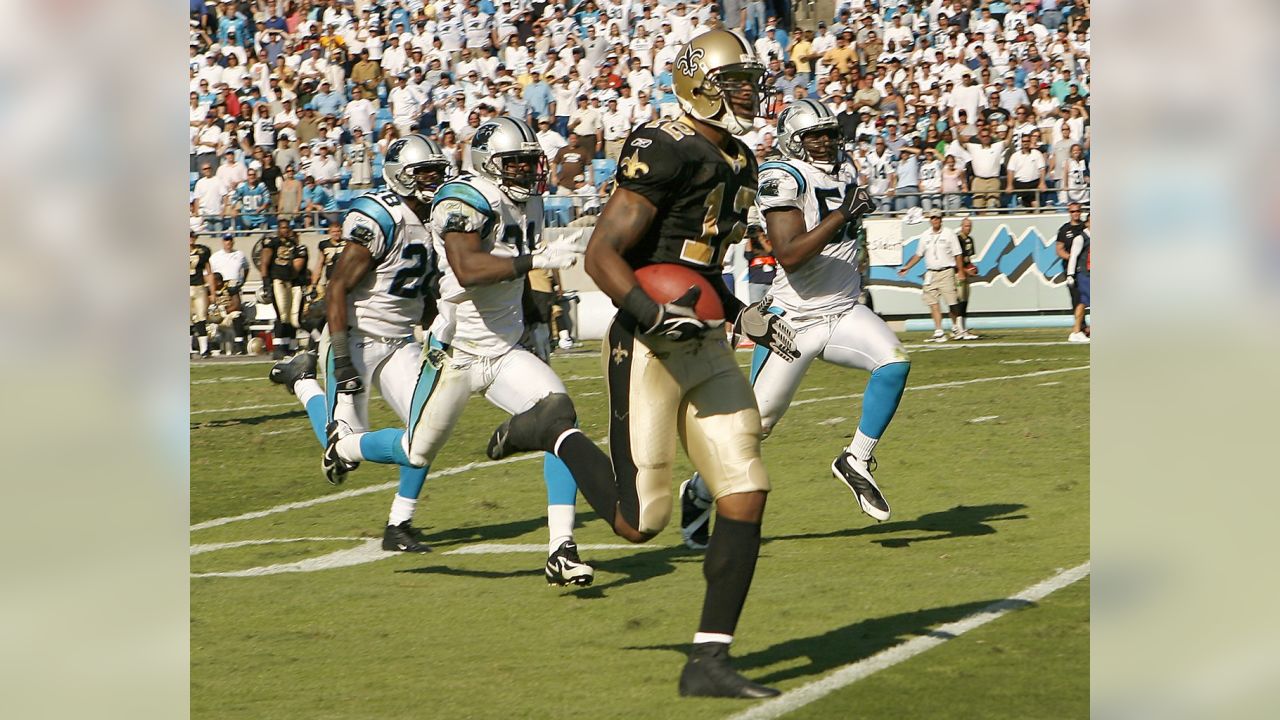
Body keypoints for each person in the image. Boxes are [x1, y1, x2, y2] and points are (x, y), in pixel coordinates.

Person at [576, 30, 796, 698]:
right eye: (737, 82)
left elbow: (701, 266)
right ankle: (554, 433)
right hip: (649, 338)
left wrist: (739, 312)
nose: (751, 93)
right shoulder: (663, 146)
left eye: (751, 82)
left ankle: (708, 659)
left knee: (746, 489)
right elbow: (602, 255)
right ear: (700, 83)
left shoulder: (740, 159)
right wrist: (651, 313)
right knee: (639, 523)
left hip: (702, 334)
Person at [321, 119, 609, 586]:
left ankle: (562, 548)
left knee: (560, 420)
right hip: (453, 353)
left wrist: (537, 319)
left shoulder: (530, 201)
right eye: (514, 163)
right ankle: (346, 443)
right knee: (416, 452)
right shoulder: (462, 199)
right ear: (488, 165)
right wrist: (536, 260)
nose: (526, 172)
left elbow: (514, 279)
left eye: (529, 162)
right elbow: (468, 268)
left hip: (503, 350)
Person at [680, 98, 908, 552]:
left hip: (842, 309)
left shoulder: (844, 170)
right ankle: (699, 493)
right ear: (792, 140)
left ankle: (855, 460)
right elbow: (789, 253)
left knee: (895, 363)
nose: (825, 142)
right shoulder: (782, 175)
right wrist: (844, 214)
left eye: (829, 133)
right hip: (792, 322)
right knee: (753, 430)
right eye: (814, 135)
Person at [269, 135, 455, 552]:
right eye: (424, 172)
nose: (434, 180)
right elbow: (337, 288)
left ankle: (399, 525)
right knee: (347, 456)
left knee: (427, 430)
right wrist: (341, 358)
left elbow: (414, 292)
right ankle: (303, 382)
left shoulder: (439, 218)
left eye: (438, 171)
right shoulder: (380, 217)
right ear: (400, 177)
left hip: (402, 343)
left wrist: (444, 328)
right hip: (355, 340)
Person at [897, 208, 973, 342]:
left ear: (941, 219)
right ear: (930, 220)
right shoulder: (925, 235)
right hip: (931, 273)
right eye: (932, 218)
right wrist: (907, 267)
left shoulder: (949, 234)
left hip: (946, 271)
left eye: (937, 218)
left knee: (952, 302)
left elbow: (957, 254)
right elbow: (918, 254)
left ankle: (956, 327)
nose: (935, 220)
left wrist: (961, 271)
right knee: (932, 302)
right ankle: (939, 331)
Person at [257, 223, 308, 358]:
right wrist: (266, 282)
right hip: (277, 280)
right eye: (283, 227)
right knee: (282, 315)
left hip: (289, 282)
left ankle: (287, 346)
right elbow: (264, 262)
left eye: (287, 228)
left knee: (290, 317)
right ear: (279, 229)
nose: (285, 230)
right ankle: (278, 347)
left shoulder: (293, 245)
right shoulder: (272, 242)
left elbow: (296, 266)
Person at [1055, 203, 1090, 342]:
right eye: (1073, 211)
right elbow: (1060, 249)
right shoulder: (1066, 230)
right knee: (1079, 300)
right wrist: (1071, 267)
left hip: (1086, 270)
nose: (1075, 213)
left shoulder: (1085, 229)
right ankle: (1078, 329)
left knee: (1083, 300)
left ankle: (1080, 329)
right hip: (1077, 270)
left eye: (1078, 211)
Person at [953, 216, 980, 339]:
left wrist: (972, 268)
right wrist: (963, 270)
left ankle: (963, 328)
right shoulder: (957, 239)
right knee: (959, 300)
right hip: (958, 273)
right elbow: (955, 259)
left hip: (966, 273)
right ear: (961, 226)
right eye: (965, 226)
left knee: (965, 300)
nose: (968, 228)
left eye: (969, 226)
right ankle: (959, 328)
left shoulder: (970, 240)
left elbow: (968, 259)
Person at [207, 272, 247, 355]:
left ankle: (239, 344)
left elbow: (237, 305)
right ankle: (209, 348)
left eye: (212, 281)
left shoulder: (230, 287)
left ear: (218, 282)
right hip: (214, 317)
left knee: (237, 315)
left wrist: (224, 311)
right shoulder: (208, 291)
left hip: (228, 315)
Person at [190, 231, 215, 357]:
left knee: (201, 318)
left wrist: (213, 292)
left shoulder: (202, 251)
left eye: (192, 236)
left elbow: (209, 272)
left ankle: (204, 349)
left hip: (199, 287)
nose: (190, 239)